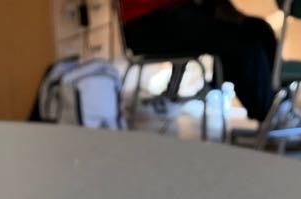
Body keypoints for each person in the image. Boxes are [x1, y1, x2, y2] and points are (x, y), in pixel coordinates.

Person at [119, 0, 277, 122]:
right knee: (244, 43)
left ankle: (275, 102)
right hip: (145, 22)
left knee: (260, 30)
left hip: (177, 12)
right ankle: (268, 114)